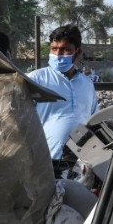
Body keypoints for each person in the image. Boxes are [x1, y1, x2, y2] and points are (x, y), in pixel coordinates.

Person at [28, 24, 98, 162]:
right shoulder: (36, 79)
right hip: (45, 161)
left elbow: (94, 119)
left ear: (78, 52)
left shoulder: (87, 83)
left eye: (65, 50)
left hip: (82, 162)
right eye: (54, 49)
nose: (58, 55)